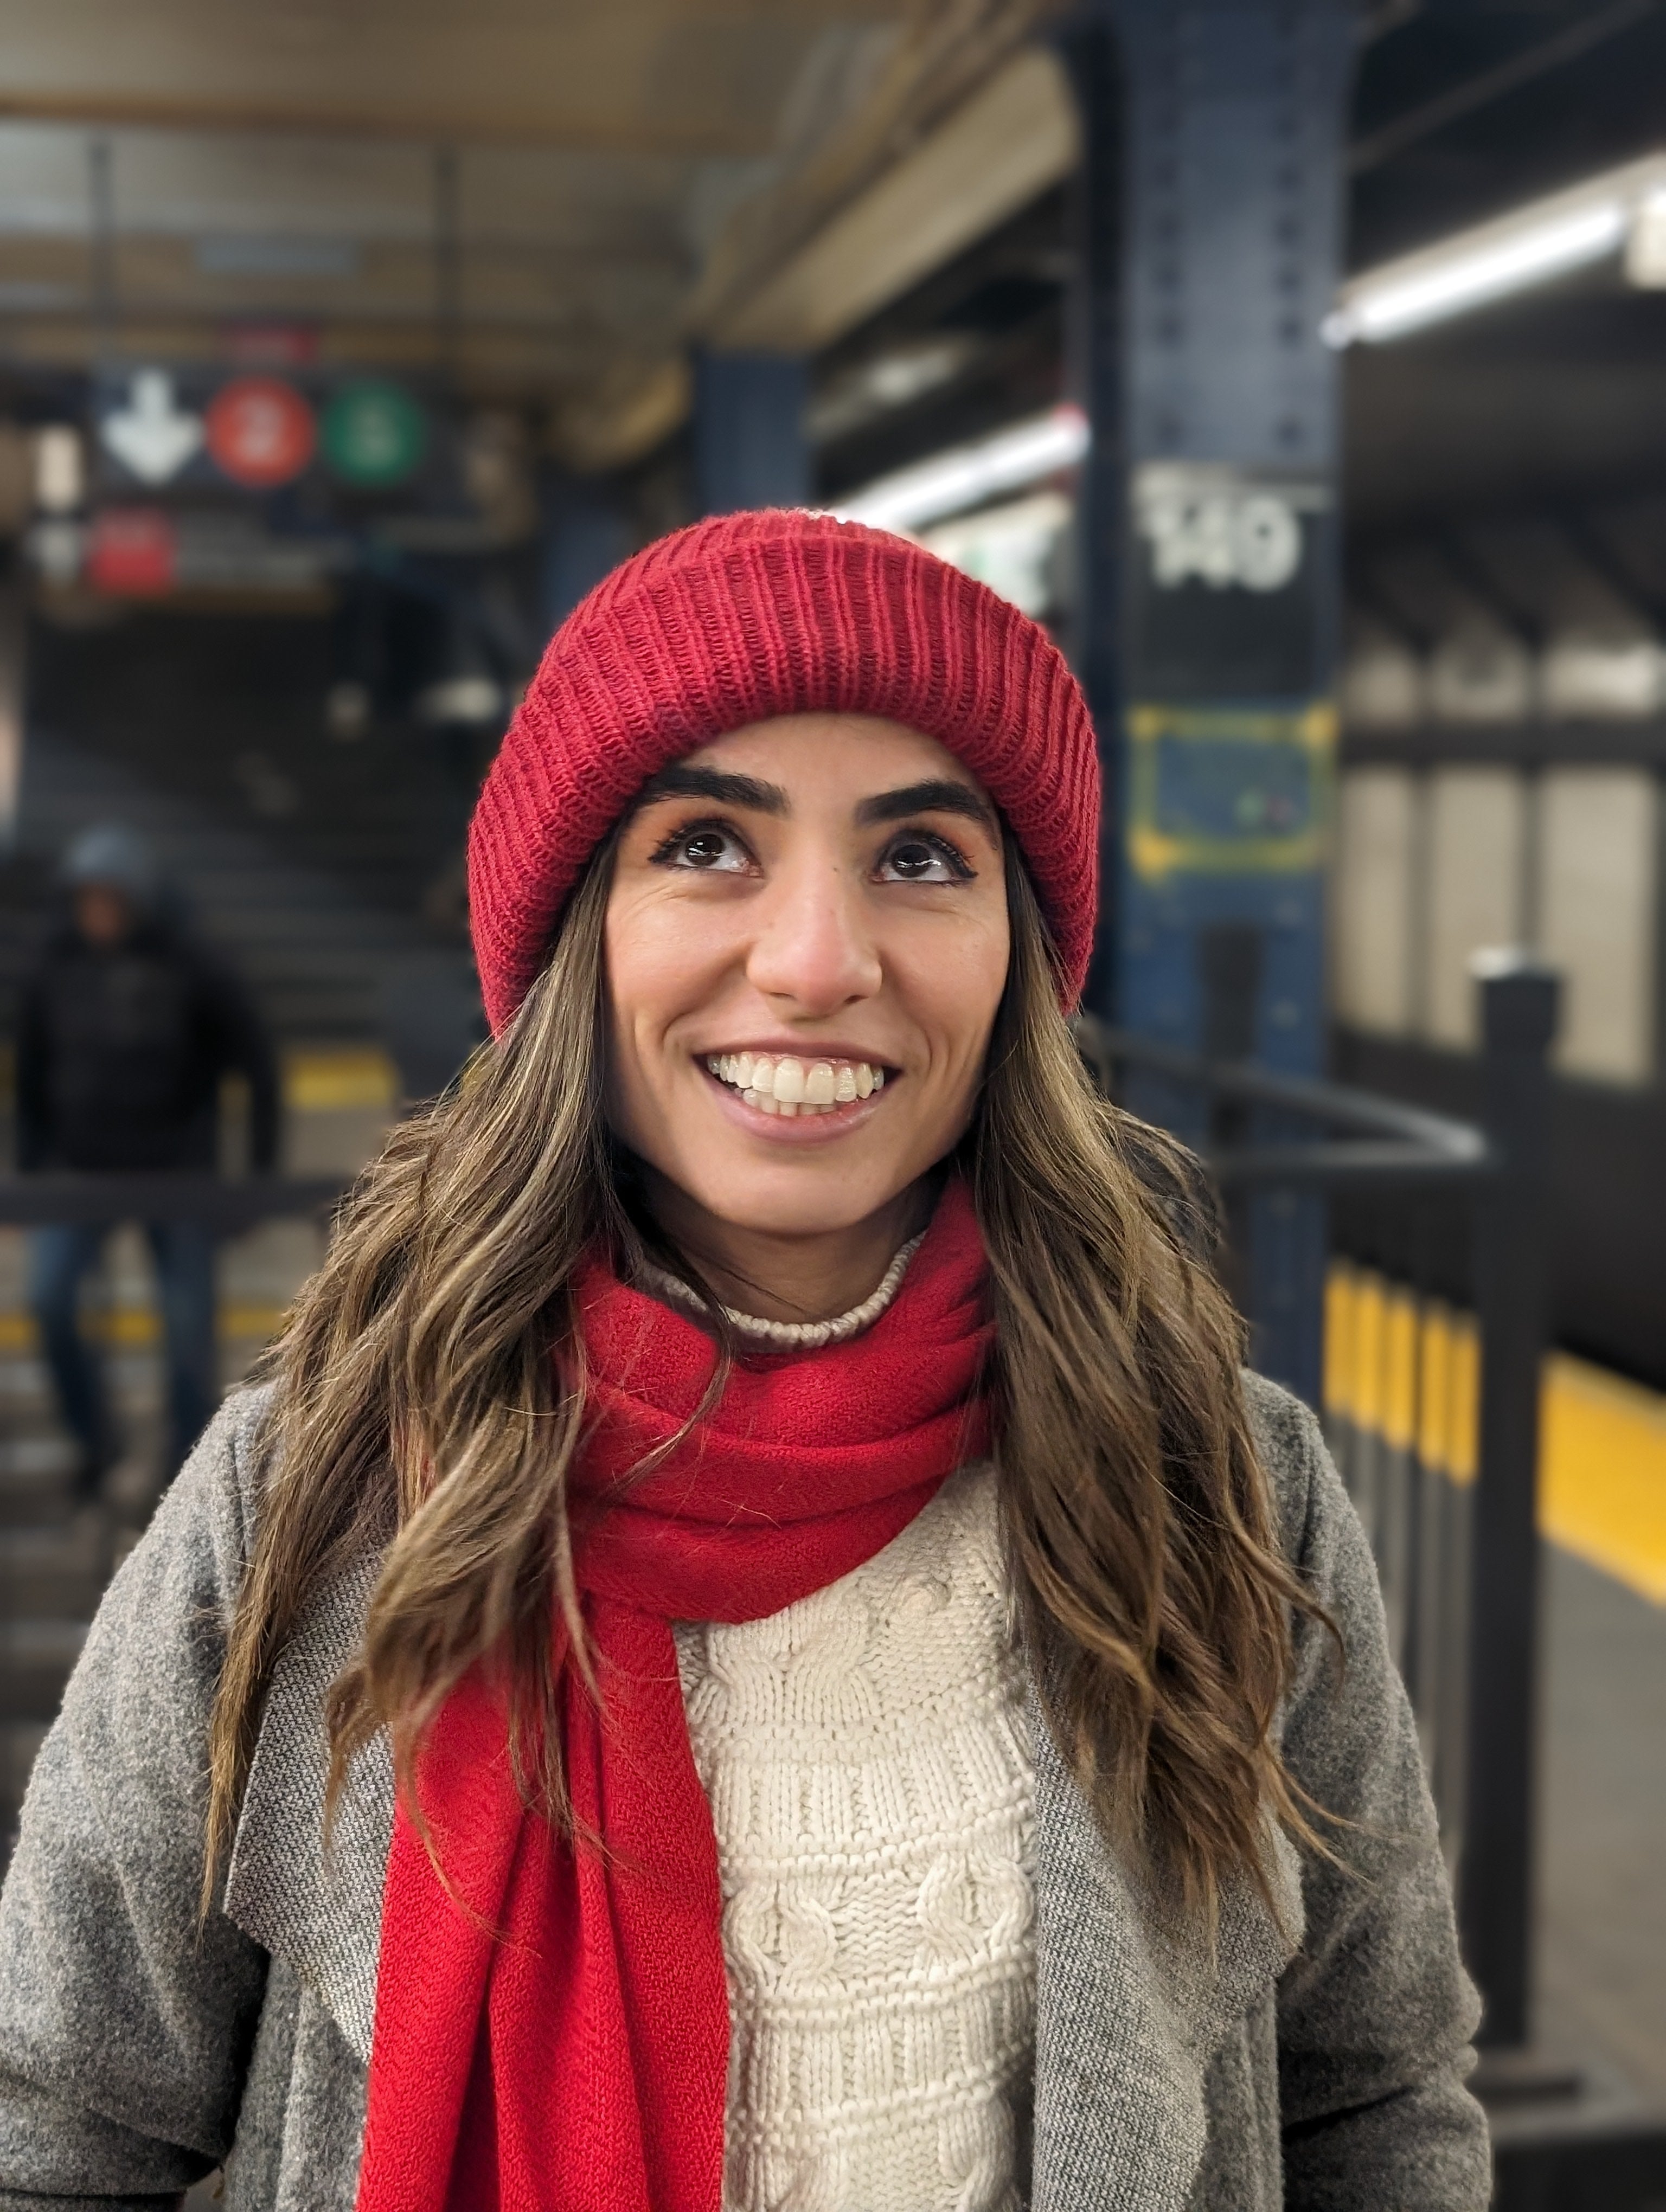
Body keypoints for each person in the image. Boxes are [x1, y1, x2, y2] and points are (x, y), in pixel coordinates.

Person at [0, 513, 1488, 2210]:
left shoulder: (1219, 1478)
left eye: (920, 857)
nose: (814, 963)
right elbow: (52, 2129)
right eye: (707, 842)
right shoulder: (312, 1496)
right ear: (581, 936)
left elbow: (1372, 2095)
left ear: (1019, 959)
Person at [15, 821, 279, 1493]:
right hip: (78, 1175)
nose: (99, 914)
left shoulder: (193, 962)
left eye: (112, 899)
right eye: (88, 899)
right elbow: (31, 1069)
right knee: (48, 1300)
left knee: (188, 1327)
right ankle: (94, 1441)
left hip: (177, 1175)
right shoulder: (55, 963)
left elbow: (257, 1061)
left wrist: (256, 1175)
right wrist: (29, 1167)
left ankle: (184, 1469)